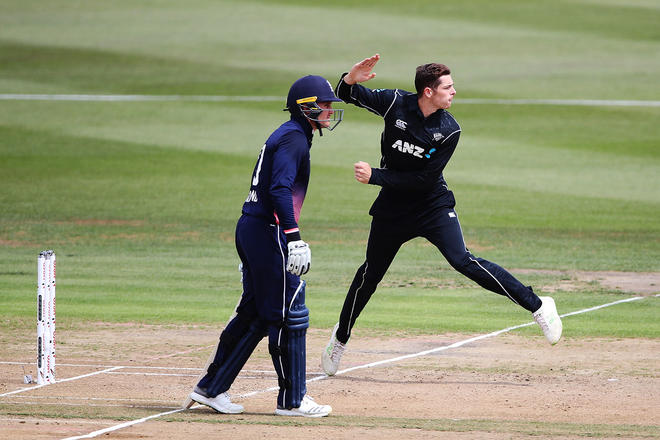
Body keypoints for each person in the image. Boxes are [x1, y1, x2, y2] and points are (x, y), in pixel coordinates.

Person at [321, 54, 562, 376]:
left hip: (431, 206)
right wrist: (351, 78)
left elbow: (423, 180)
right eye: (448, 87)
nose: (454, 92)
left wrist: (375, 176)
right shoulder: (394, 103)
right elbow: (346, 94)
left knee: (463, 260)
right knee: (370, 275)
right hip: (393, 208)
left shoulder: (449, 129)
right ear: (428, 92)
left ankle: (538, 305)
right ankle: (340, 338)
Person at [188, 75, 343, 417]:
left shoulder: (291, 134)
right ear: (306, 107)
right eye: (325, 104)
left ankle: (211, 388)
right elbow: (279, 189)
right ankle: (293, 400)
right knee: (290, 311)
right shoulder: (293, 138)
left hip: (253, 228)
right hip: (267, 230)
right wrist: (294, 238)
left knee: (256, 312)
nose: (330, 110)